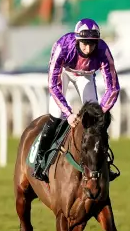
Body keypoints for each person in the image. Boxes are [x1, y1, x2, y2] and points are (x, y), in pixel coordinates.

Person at [31, 18, 119, 182]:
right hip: (63, 73)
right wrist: (68, 113)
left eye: (92, 44)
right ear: (77, 40)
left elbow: (113, 87)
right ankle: (39, 161)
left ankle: (104, 162)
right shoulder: (63, 46)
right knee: (56, 115)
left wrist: (100, 112)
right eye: (84, 43)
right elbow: (52, 85)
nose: (88, 48)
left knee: (96, 122)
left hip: (85, 76)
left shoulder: (103, 50)